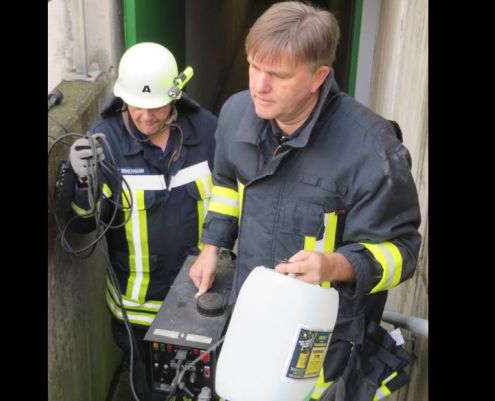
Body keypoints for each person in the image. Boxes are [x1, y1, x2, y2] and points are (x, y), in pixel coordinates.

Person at [188, 2, 422, 400]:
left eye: (278, 75)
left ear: (318, 77)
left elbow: (402, 253)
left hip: (324, 341)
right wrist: (211, 247)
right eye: (253, 67)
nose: (259, 86)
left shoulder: (373, 151)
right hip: (252, 314)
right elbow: (227, 184)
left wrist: (338, 264)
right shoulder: (235, 113)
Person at [65, 42, 218, 399]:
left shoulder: (209, 132)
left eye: (156, 107)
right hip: (136, 313)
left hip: (198, 302)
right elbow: (87, 225)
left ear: (175, 96)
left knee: (201, 389)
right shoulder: (105, 143)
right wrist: (82, 185)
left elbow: (233, 199)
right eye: (137, 106)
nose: (146, 117)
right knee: (147, 390)